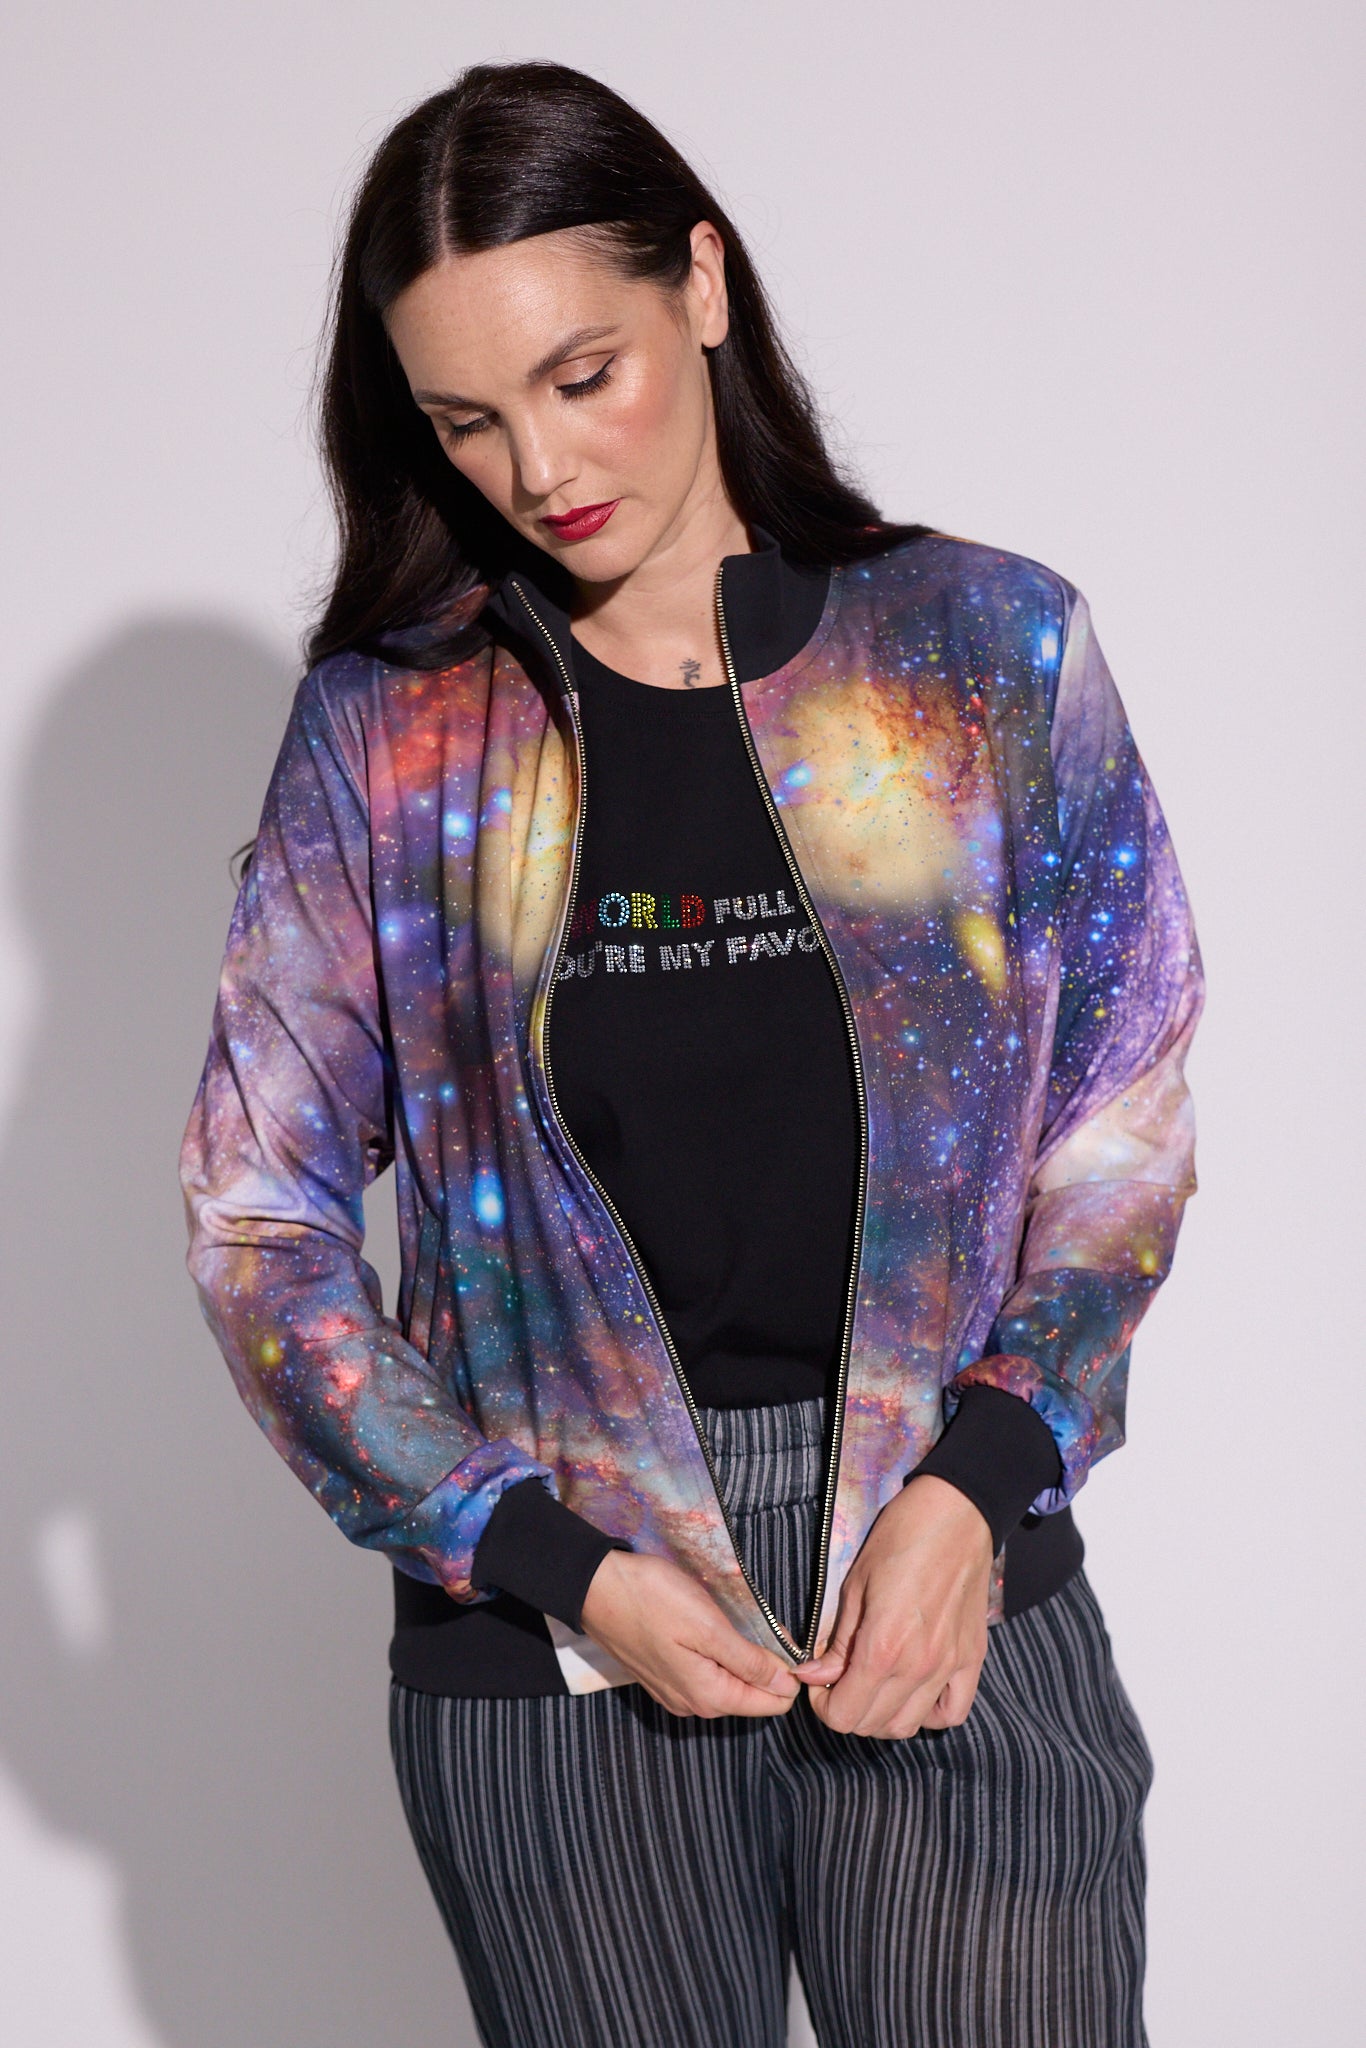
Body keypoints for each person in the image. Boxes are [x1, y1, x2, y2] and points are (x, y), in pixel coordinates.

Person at [180, 59, 1202, 2048]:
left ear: (702, 286)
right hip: (562, 1634)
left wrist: (976, 1483)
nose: (538, 464)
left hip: (941, 1563)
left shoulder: (984, 653)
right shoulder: (389, 738)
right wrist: (547, 1559)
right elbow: (257, 1225)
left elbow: (1119, 1125)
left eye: (583, 375)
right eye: (464, 420)